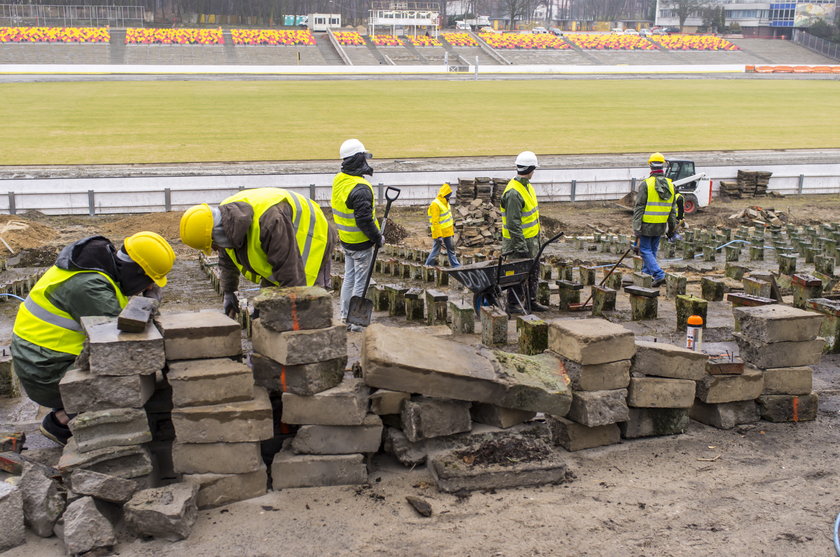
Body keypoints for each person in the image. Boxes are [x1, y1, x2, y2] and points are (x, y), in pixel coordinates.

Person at [11, 232, 175, 445]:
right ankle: (63, 421)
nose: (150, 287)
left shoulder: (99, 268)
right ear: (136, 271)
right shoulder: (90, 287)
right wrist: (149, 306)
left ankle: (67, 411)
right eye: (149, 280)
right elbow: (124, 344)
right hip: (44, 372)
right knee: (125, 381)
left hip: (46, 360)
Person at [180, 187, 336, 317]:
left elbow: (290, 274)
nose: (214, 249)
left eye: (212, 244)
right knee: (266, 310)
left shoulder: (269, 222)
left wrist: (292, 322)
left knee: (310, 307)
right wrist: (229, 292)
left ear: (217, 232)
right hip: (284, 247)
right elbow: (227, 264)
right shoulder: (228, 222)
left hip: (314, 236)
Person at [331, 139, 384, 331]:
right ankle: (356, 324)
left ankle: (345, 316)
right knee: (360, 283)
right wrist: (378, 238)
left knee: (349, 279)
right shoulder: (361, 188)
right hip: (361, 244)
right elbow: (364, 220)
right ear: (359, 159)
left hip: (346, 241)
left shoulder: (339, 179)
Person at [500, 151, 548, 313]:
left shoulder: (526, 187)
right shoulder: (514, 192)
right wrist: (521, 247)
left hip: (532, 240)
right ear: (532, 168)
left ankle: (530, 300)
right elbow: (513, 224)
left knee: (533, 271)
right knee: (517, 274)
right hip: (518, 243)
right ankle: (513, 304)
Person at [633, 152, 678, 288]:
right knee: (651, 251)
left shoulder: (646, 184)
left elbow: (639, 207)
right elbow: (672, 210)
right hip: (660, 225)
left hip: (647, 224)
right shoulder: (671, 185)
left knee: (644, 250)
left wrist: (636, 227)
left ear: (650, 166)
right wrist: (671, 228)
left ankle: (659, 275)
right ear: (663, 165)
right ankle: (645, 276)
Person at [424, 183, 460, 268]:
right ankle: (427, 266)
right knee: (436, 250)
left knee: (451, 249)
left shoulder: (446, 202)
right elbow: (435, 222)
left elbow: (448, 219)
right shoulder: (435, 204)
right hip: (439, 232)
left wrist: (451, 232)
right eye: (449, 195)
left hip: (447, 231)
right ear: (445, 194)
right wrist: (438, 236)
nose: (450, 196)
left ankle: (456, 266)